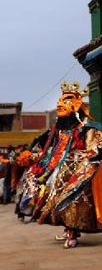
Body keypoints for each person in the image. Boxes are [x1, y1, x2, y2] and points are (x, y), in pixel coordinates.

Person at [17, 81, 102, 248]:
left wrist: (83, 159)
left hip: (79, 171)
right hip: (55, 172)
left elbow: (96, 148)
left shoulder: (89, 128)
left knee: (73, 202)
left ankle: (72, 233)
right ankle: (68, 231)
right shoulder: (55, 132)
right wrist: (30, 157)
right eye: (59, 101)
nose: (59, 104)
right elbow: (44, 151)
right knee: (51, 198)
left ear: (77, 104)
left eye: (66, 100)